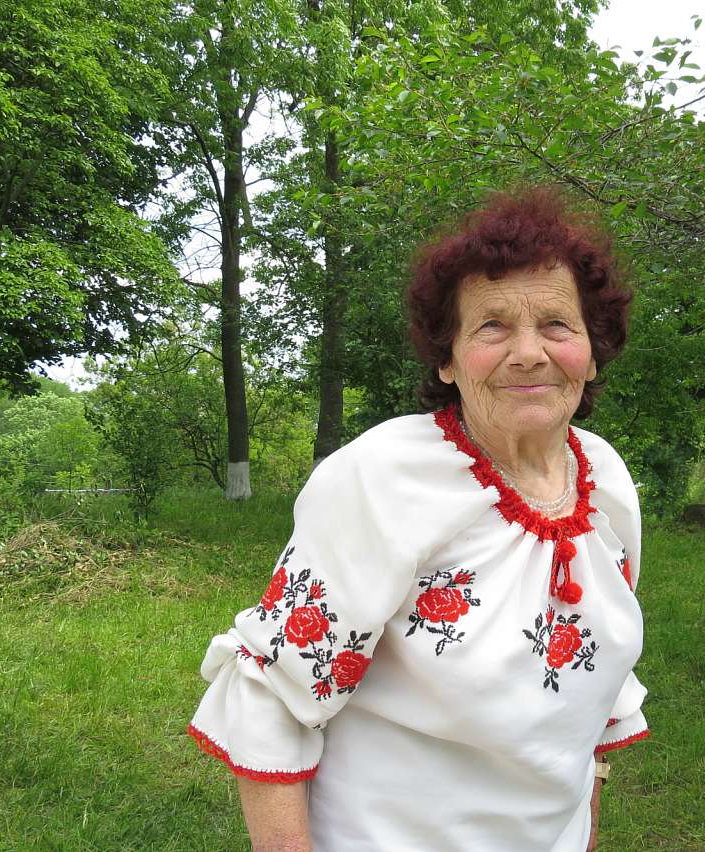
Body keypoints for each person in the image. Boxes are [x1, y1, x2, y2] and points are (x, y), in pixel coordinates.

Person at [187, 188, 649, 851]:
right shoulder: (382, 478)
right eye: (492, 327)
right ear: (447, 358)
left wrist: (587, 822)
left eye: (556, 324)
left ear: (593, 350)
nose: (528, 352)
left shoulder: (606, 480)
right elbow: (275, 693)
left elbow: (599, 682)